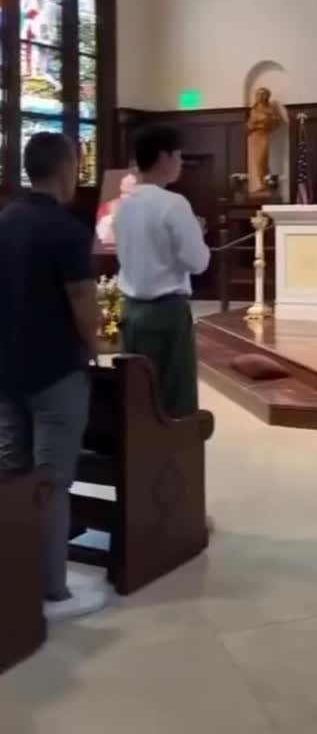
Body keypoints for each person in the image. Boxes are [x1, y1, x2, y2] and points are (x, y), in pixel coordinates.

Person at [0, 132, 107, 619]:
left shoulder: (5, 220)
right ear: (66, 167)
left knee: (12, 474)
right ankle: (52, 591)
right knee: (51, 480)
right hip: (56, 372)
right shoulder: (66, 229)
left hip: (7, 371)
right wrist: (94, 344)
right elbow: (83, 302)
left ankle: (14, 581)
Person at [114, 124, 210, 418]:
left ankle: (138, 447)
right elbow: (197, 262)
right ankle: (174, 449)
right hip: (166, 315)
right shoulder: (174, 204)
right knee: (172, 402)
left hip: (131, 312)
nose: (180, 163)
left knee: (137, 397)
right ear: (163, 157)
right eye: (178, 156)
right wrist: (198, 233)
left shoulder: (123, 206)